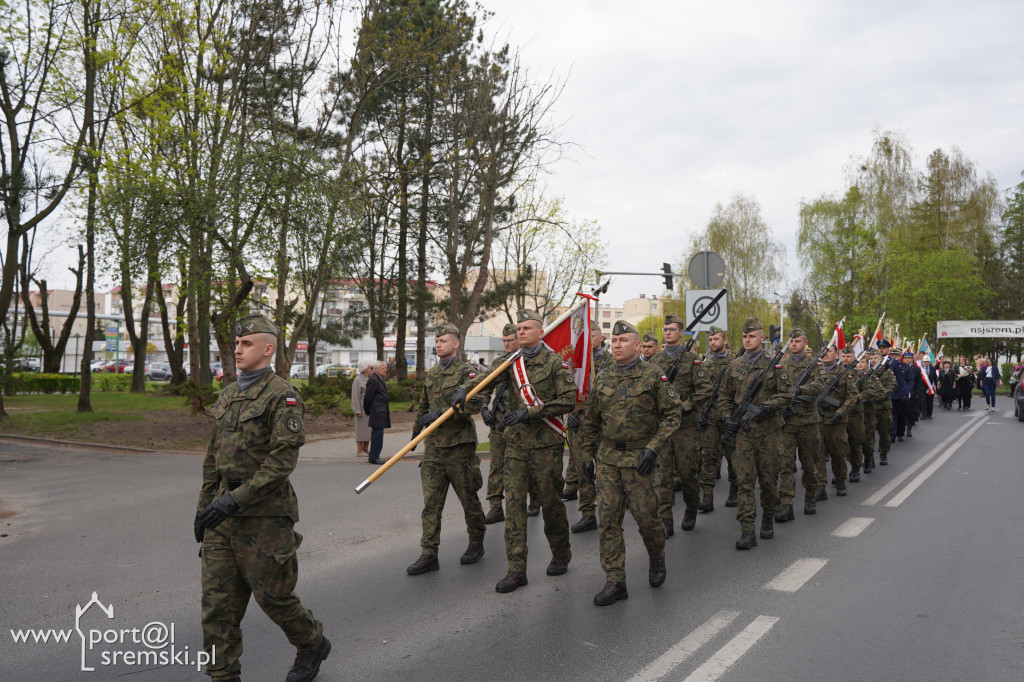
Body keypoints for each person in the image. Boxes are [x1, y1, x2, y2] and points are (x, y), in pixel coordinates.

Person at [195, 314, 330, 682]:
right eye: (236, 344)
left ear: (268, 349)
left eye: (246, 343)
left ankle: (312, 642)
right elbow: (213, 458)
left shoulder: (282, 396)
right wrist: (205, 508)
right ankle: (223, 675)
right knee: (216, 607)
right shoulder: (228, 394)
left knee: (273, 598)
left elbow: (282, 460)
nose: (237, 349)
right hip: (222, 517)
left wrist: (236, 499)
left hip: (264, 517)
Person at [458, 309, 576, 594]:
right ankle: (515, 570)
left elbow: (569, 400)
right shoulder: (509, 362)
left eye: (526, 328)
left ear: (540, 332)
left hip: (546, 445)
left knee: (550, 503)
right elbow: (486, 381)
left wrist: (531, 412)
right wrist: (464, 390)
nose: (520, 332)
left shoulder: (554, 363)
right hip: (515, 446)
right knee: (514, 507)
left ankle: (561, 553)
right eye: (518, 329)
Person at [578, 320, 680, 605]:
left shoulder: (653, 375)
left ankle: (657, 557)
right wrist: (586, 456)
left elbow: (673, 415)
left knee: (648, 521)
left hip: (640, 461)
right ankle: (615, 580)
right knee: (608, 522)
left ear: (637, 346)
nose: (617, 345)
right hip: (609, 460)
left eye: (623, 340)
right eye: (614, 340)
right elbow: (590, 421)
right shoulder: (603, 377)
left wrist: (653, 448)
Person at [406, 323, 487, 576]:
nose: (438, 344)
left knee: (468, 500)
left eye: (443, 341)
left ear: (455, 344)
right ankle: (429, 553)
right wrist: (415, 434)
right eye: (436, 340)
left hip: (459, 448)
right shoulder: (431, 375)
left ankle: (476, 542)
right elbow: (422, 407)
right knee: (431, 504)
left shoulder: (468, 373)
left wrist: (443, 413)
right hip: (434, 451)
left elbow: (476, 403)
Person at [717, 317, 792, 549]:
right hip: (742, 434)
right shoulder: (734, 366)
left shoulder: (775, 365)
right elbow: (723, 397)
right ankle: (747, 530)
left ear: (762, 338)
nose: (747, 340)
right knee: (744, 483)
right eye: (744, 336)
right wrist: (728, 417)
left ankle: (768, 517)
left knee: (769, 482)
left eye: (752, 336)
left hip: (768, 433)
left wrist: (764, 407)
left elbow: (788, 395)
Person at [649, 313, 711, 535]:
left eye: (672, 329)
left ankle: (691, 507)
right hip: (663, 428)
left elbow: (705, 388)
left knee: (687, 474)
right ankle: (666, 518)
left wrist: (687, 404)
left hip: (686, 428)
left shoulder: (691, 359)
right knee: (663, 475)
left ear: (681, 332)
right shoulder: (655, 361)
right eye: (665, 329)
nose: (667, 332)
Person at [776, 328, 826, 519]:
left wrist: (798, 390)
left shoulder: (814, 365)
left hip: (808, 423)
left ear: (805, 342)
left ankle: (810, 497)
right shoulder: (781, 365)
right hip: (786, 423)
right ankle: (786, 504)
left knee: (809, 464)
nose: (794, 344)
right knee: (785, 464)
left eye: (797, 341)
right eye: (791, 341)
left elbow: (820, 386)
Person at [563, 321, 611, 511]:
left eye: (593, 335)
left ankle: (609, 503)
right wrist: (572, 412)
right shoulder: (576, 362)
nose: (589, 339)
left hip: (602, 423)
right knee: (583, 467)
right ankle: (587, 511)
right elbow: (569, 390)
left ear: (601, 338)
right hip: (578, 423)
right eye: (586, 336)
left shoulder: (610, 361)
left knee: (605, 467)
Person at [480, 323, 519, 524]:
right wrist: (484, 408)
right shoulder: (499, 361)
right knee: (496, 464)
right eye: (503, 341)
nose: (506, 344)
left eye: (510, 340)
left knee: (523, 465)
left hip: (520, 422)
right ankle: (495, 506)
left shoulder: (525, 361)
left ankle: (534, 501)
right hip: (499, 420)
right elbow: (485, 385)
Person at [696, 325, 737, 511]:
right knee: (709, 457)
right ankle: (707, 496)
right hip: (710, 418)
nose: (713, 342)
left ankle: (734, 491)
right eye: (711, 340)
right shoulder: (704, 365)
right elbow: (698, 391)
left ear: (725, 341)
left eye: (716, 339)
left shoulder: (735, 364)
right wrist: (700, 413)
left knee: (733, 457)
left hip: (729, 418)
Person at [817, 345, 856, 496]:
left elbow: (852, 396)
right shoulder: (814, 371)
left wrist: (841, 412)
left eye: (829, 351)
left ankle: (840, 481)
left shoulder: (843, 372)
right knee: (818, 455)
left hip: (836, 421)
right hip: (817, 420)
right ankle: (820, 487)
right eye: (823, 351)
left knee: (838, 453)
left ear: (836, 354)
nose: (826, 354)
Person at [871, 343, 899, 466]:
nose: (873, 361)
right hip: (869, 408)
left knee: (884, 433)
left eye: (875, 358)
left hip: (883, 408)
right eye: (871, 359)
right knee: (868, 435)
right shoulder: (865, 373)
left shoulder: (888, 372)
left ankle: (883, 453)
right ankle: (869, 457)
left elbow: (891, 387)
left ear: (881, 359)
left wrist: (877, 394)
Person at [362, 361, 390, 465]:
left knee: (378, 435)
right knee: (377, 436)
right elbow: (368, 397)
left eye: (386, 368)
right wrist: (367, 410)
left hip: (380, 411)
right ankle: (374, 457)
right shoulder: (373, 380)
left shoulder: (378, 379)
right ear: (377, 369)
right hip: (377, 412)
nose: (385, 370)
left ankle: (374, 456)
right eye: (383, 368)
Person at [352, 364, 372, 455]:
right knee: (360, 430)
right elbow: (355, 396)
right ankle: (359, 450)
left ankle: (365, 449)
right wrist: (357, 410)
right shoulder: (358, 380)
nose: (372, 370)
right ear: (365, 370)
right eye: (370, 368)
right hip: (361, 408)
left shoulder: (370, 379)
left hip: (369, 408)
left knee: (368, 430)